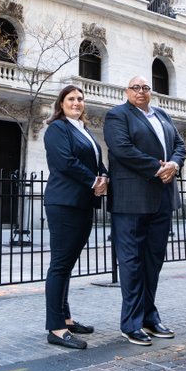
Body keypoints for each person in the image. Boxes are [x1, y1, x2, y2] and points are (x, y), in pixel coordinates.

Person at [104, 76, 185, 346]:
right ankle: (132, 322)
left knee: (153, 261)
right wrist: (157, 167)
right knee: (131, 263)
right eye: (135, 88)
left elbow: (180, 146)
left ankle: (150, 317)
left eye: (145, 88)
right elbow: (122, 150)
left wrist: (174, 164)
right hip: (131, 201)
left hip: (162, 199)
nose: (141, 92)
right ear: (127, 91)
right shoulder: (117, 116)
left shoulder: (163, 115)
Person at [42, 85, 108, 349]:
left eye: (80, 99)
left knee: (67, 264)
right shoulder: (57, 128)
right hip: (64, 203)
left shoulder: (85, 130)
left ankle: (65, 318)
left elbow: (96, 162)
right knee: (60, 264)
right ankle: (55, 328)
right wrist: (94, 180)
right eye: (71, 98)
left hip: (83, 203)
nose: (77, 102)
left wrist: (104, 177)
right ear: (61, 103)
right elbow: (65, 162)